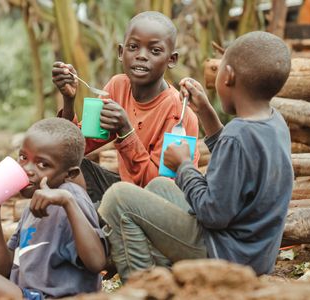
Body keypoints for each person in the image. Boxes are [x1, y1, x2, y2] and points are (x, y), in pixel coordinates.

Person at [98, 31, 294, 279]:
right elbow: (237, 161)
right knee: (159, 186)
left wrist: (183, 166)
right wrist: (207, 113)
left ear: (228, 77)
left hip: (226, 255)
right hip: (251, 252)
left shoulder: (238, 134)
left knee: (119, 198)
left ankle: (144, 287)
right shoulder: (274, 123)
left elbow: (213, 214)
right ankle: (163, 272)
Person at [0, 118, 107, 299]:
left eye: (42, 164)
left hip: (47, 297)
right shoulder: (34, 203)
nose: (27, 169)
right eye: (23, 157)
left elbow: (96, 263)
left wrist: (67, 202)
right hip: (24, 291)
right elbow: (2, 270)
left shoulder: (72, 197)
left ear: (69, 174)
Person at [52, 11, 202, 205]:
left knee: (101, 208)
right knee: (68, 167)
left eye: (155, 51)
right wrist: (69, 101)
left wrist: (126, 132)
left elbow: (160, 190)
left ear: (171, 59)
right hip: (125, 191)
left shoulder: (180, 114)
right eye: (133, 47)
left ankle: (96, 224)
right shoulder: (117, 87)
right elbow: (74, 149)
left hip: (162, 209)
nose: (141, 56)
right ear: (121, 53)